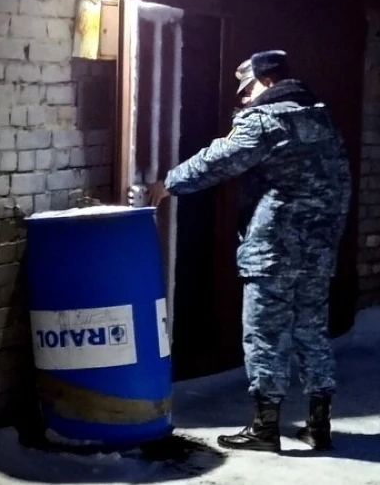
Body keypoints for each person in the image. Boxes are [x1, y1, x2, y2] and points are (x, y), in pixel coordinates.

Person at [141, 50, 352, 453]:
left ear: (267, 81)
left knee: (265, 334)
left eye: (249, 87)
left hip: (274, 247)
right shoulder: (320, 118)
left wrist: (168, 183)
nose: (243, 96)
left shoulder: (266, 120)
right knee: (312, 332)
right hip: (318, 248)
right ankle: (319, 424)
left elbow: (218, 160)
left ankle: (264, 428)